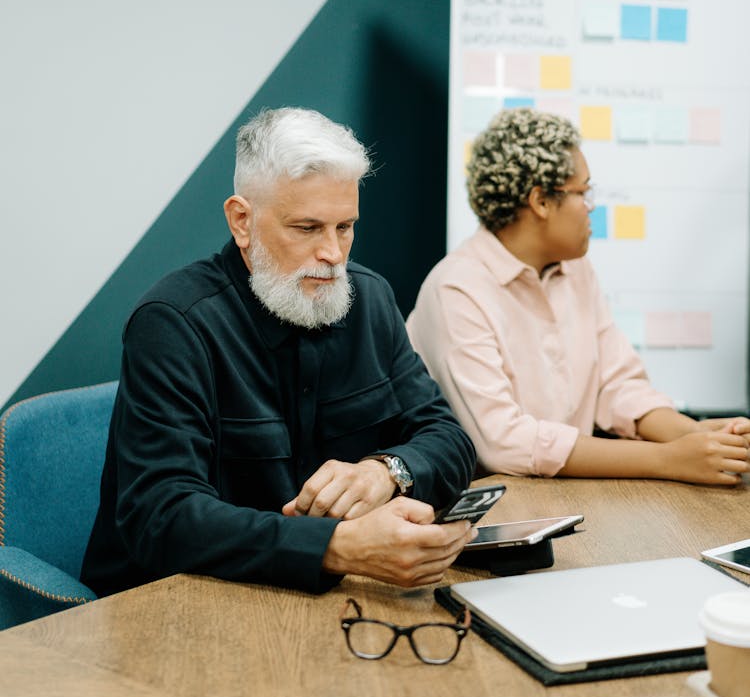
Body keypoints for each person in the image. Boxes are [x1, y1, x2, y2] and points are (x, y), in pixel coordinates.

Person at [81, 107, 477, 597]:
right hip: (176, 608)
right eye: (307, 229)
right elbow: (163, 516)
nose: (333, 254)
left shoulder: (370, 299)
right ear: (242, 221)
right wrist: (338, 546)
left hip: (331, 604)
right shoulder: (173, 323)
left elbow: (449, 437)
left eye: (345, 227)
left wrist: (387, 472)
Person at [406, 107, 750, 485]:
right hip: (491, 514)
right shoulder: (456, 290)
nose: (592, 206)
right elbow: (504, 442)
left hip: (567, 499)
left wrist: (697, 439)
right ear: (540, 201)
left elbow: (616, 385)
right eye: (583, 193)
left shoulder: (574, 269)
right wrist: (666, 459)